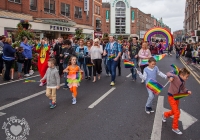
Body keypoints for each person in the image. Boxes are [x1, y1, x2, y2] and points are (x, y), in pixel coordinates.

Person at [162, 68, 191, 135]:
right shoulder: (176, 77)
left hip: (177, 97)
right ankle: (175, 128)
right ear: (181, 75)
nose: (187, 78)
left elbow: (183, 88)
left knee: (174, 111)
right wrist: (171, 77)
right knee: (177, 113)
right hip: (171, 96)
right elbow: (168, 73)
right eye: (186, 77)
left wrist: (187, 91)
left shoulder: (183, 81)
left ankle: (165, 114)